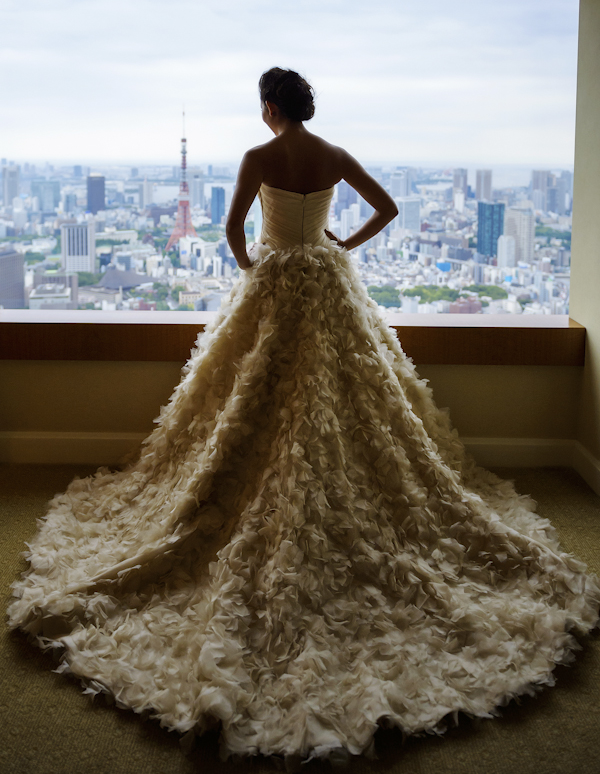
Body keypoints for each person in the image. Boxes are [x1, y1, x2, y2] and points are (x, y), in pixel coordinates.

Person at [7, 67, 600, 766]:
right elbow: (388, 211)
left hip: (277, 280)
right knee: (352, 403)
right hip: (326, 280)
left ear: (268, 107)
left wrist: (252, 266)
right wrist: (340, 244)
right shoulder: (336, 157)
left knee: (250, 405)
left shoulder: (260, 158)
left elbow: (232, 227)